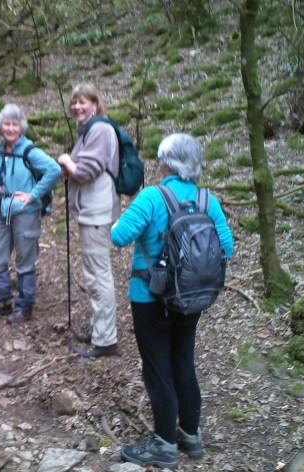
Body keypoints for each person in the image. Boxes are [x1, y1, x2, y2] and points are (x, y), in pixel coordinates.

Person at [111, 133, 233, 469]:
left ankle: (164, 444)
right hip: (193, 297)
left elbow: (119, 236)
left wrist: (123, 223)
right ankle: (190, 436)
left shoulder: (152, 197)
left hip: (150, 296)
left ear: (167, 162)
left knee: (157, 367)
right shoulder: (208, 200)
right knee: (183, 361)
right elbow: (227, 248)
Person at [56, 82, 121, 358]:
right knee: (95, 273)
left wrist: (65, 161)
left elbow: (85, 172)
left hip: (97, 212)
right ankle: (99, 330)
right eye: (74, 102)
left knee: (98, 275)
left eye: (83, 101)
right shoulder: (89, 131)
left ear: (95, 104)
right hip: (92, 211)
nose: (77, 106)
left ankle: (105, 341)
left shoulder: (101, 130)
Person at [0, 104, 60, 323]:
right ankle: (3, 300)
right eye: (7, 124)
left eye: (15, 124)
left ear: (22, 127)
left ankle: (24, 306)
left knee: (25, 259)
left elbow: (54, 170)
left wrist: (33, 195)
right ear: (0, 126)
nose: (11, 128)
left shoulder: (30, 151)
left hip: (24, 212)